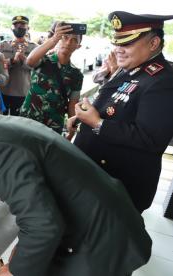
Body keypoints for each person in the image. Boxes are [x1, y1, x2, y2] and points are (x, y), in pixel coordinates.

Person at [0, 78, 152, 276]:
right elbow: (38, 210)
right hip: (105, 222)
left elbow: (43, 225)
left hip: (99, 242)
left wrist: (15, 271)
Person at [70, 11, 173, 213]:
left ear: (153, 44)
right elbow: (112, 107)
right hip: (97, 179)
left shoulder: (163, 81)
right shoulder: (134, 69)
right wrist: (81, 119)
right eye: (117, 43)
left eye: (126, 44)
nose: (118, 49)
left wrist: (97, 124)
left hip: (118, 187)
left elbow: (150, 138)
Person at [20, 22, 83, 136]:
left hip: (53, 125)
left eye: (74, 40)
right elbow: (30, 61)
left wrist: (72, 128)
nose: (68, 42)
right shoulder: (43, 60)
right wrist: (54, 39)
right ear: (59, 39)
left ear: (78, 46)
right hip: (29, 119)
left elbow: (72, 104)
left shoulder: (77, 74)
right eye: (65, 37)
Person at [0, 16, 38, 115]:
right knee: (1, 118)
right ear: (11, 28)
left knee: (18, 120)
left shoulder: (34, 47)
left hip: (23, 91)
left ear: (28, 28)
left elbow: (36, 67)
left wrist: (24, 59)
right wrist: (13, 61)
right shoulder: (3, 45)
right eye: (16, 25)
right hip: (4, 90)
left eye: (22, 25)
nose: (19, 28)